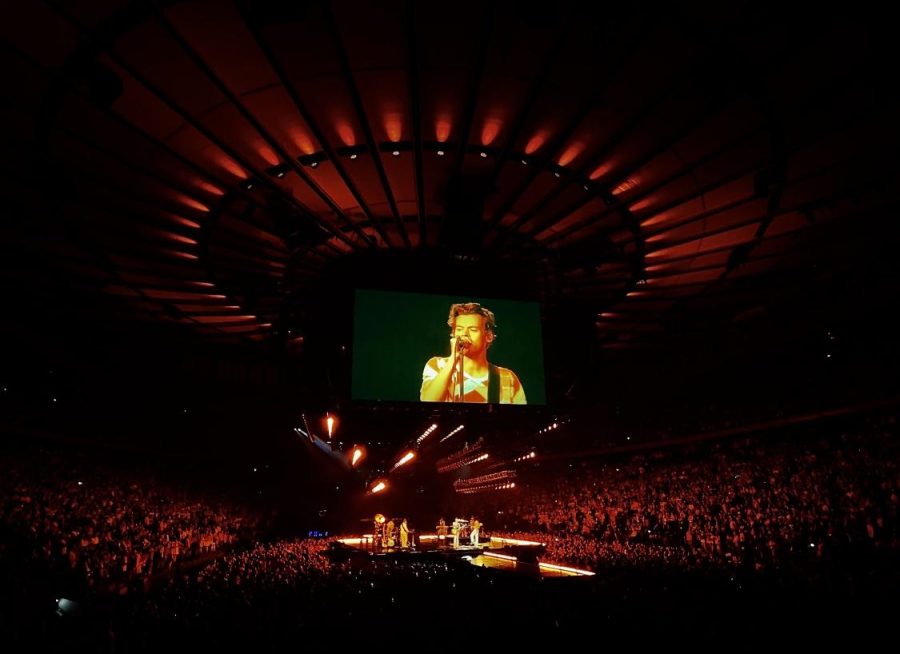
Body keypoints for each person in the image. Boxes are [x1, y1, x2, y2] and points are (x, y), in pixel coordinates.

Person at [420, 302, 526, 404]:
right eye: (459, 329)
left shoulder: (507, 378)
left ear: (489, 336)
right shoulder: (437, 366)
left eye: (473, 330)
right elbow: (427, 402)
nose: (464, 335)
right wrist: (453, 359)